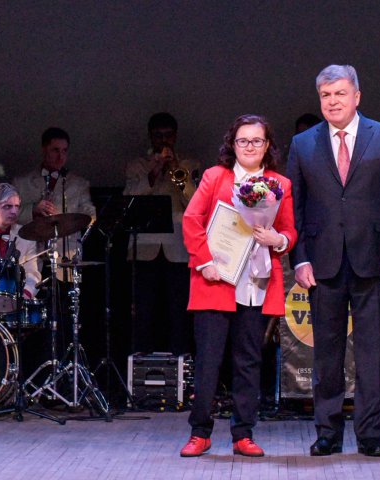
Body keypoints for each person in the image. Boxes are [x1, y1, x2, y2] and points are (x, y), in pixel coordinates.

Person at [287, 65, 380, 457]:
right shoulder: (303, 144)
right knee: (326, 354)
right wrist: (300, 259)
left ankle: (370, 434)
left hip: (375, 261)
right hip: (322, 262)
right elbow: (294, 208)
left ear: (357, 96)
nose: (333, 102)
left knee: (373, 353)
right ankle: (327, 432)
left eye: (340, 94)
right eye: (326, 96)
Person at [180, 114, 297, 458]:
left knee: (248, 361)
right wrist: (205, 262)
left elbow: (290, 231)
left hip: (255, 284)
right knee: (209, 362)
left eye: (256, 141)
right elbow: (192, 220)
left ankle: (243, 433)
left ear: (267, 145)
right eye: (243, 140)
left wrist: (278, 239)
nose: (249, 146)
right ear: (232, 145)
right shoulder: (216, 176)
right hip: (216, 280)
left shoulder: (280, 184)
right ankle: (200, 432)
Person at [124, 112, 199, 354]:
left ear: (175, 137)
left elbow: (194, 202)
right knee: (143, 311)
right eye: (158, 136)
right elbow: (130, 200)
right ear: (150, 137)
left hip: (178, 248)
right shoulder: (137, 166)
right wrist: (154, 170)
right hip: (144, 248)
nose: (164, 141)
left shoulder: (189, 165)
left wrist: (176, 170)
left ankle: (180, 362)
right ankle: (140, 360)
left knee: (179, 311)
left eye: (168, 135)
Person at [13, 127, 96, 263]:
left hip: (65, 256)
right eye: (55, 150)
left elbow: (89, 214)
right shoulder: (21, 183)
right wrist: (32, 210)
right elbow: (9, 217)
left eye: (64, 151)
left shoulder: (79, 184)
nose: (60, 156)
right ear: (44, 149)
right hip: (30, 256)